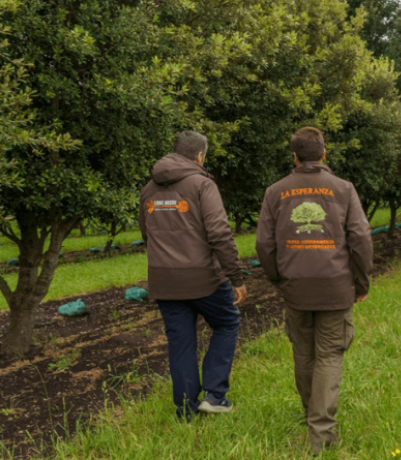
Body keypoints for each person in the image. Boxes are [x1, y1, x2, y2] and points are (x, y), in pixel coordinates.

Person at [256, 127, 373, 454]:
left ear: (294, 156)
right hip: (335, 287)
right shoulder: (343, 189)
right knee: (329, 355)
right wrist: (361, 283)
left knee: (304, 353)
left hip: (296, 288)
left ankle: (312, 413)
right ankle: (320, 432)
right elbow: (361, 239)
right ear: (324, 154)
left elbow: (264, 244)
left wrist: (279, 278)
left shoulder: (275, 192)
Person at [139, 131, 247, 420]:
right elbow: (219, 234)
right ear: (200, 155)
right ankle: (214, 394)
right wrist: (235, 277)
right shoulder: (202, 184)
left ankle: (185, 412)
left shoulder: (148, 189)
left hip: (164, 281)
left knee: (181, 342)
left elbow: (146, 233)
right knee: (226, 323)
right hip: (204, 278)